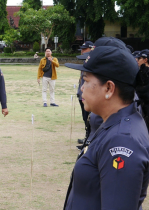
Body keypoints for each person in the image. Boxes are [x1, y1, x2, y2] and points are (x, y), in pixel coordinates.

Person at [63, 45, 149, 210]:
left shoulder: (122, 139)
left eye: (86, 80)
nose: (82, 88)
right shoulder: (113, 123)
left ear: (109, 88)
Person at [76, 41, 94, 144]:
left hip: (88, 95)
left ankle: (89, 140)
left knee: (90, 118)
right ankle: (87, 138)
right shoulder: (85, 62)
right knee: (85, 118)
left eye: (84, 49)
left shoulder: (92, 64)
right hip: (81, 94)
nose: (82, 51)